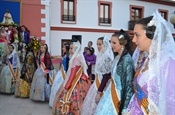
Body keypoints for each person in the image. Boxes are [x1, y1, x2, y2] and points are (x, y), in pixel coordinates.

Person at [127, 10, 175, 115]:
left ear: (151, 35)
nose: (134, 40)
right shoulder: (146, 60)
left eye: (137, 35)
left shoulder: (169, 64)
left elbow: (171, 104)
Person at [95, 30, 134, 115]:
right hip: (110, 93)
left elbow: (128, 85)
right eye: (111, 42)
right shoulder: (117, 58)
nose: (111, 45)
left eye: (114, 43)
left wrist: (125, 108)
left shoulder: (127, 60)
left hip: (119, 97)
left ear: (123, 43)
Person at [52, 41, 90, 115]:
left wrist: (66, 87)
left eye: (72, 48)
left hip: (75, 83)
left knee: (72, 99)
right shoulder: (79, 56)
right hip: (81, 81)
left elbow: (72, 75)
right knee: (81, 99)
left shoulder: (75, 59)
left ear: (76, 49)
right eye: (70, 48)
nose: (70, 50)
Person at [81, 36, 114, 115]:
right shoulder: (100, 55)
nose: (98, 46)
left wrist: (99, 91)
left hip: (103, 86)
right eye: (97, 44)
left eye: (100, 44)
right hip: (97, 83)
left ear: (105, 44)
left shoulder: (108, 57)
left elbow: (106, 75)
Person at [49, 42, 70, 107]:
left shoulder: (68, 57)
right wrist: (52, 56)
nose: (62, 48)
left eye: (63, 47)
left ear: (66, 48)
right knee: (55, 87)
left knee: (59, 87)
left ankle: (58, 103)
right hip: (60, 73)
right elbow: (59, 57)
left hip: (64, 74)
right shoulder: (64, 55)